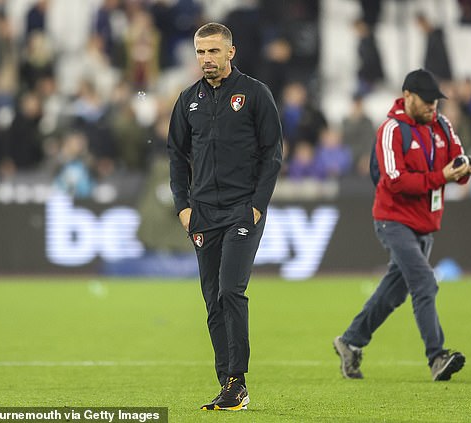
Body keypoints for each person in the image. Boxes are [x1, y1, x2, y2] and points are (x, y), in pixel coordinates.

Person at [333, 69, 471, 382]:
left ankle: (350, 341)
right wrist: (443, 177)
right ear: (408, 96)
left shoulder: (443, 125)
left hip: (426, 223)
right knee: (424, 281)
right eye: (426, 101)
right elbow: (394, 181)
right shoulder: (391, 130)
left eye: (436, 101)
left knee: (393, 293)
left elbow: (456, 164)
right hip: (393, 220)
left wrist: (465, 168)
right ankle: (437, 356)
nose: (432, 107)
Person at [167, 23, 283, 411]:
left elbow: (272, 153)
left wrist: (257, 204)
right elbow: (176, 155)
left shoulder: (254, 94)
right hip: (202, 213)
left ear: (230, 53)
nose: (206, 59)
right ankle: (228, 384)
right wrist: (183, 205)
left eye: (213, 52)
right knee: (212, 301)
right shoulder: (188, 101)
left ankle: (238, 380)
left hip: (241, 209)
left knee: (231, 290)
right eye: (200, 52)